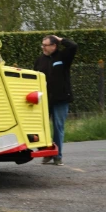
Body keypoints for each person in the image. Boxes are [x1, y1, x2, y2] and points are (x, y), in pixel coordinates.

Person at [34, 35, 77, 166]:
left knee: (58, 127)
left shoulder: (63, 57)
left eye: (45, 45)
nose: (43, 47)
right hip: (44, 100)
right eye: (42, 45)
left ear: (54, 46)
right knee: (41, 127)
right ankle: (47, 153)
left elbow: (73, 46)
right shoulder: (40, 60)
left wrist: (60, 39)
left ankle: (57, 156)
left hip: (60, 99)